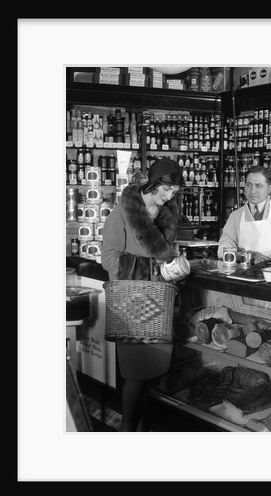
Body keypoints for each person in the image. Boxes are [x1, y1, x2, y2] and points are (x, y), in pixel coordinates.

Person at [101, 158, 184, 431]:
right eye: (166, 189)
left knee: (154, 373)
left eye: (174, 192)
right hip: (132, 300)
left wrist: (172, 267)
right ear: (154, 182)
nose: (170, 196)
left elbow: (165, 255)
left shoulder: (167, 214)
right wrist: (151, 267)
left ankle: (141, 428)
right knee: (136, 374)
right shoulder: (123, 212)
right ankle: (127, 429)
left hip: (160, 298)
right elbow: (109, 258)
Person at [218, 165, 271, 262]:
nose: (252, 190)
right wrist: (248, 256)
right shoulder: (236, 216)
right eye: (248, 185)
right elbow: (223, 249)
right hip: (244, 272)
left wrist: (269, 261)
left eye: (258, 186)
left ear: (269, 188)